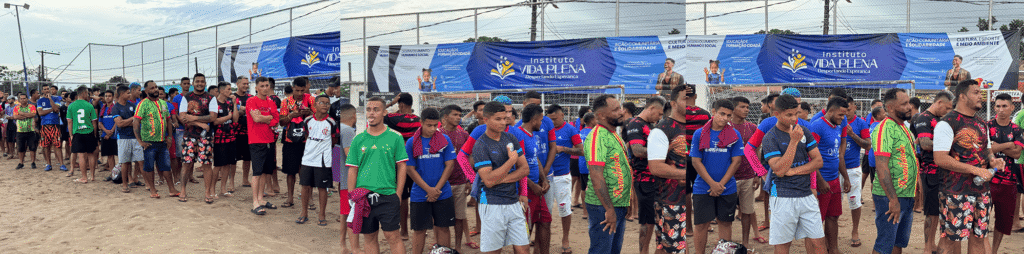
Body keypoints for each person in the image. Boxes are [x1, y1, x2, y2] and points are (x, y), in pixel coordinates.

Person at [933, 79, 1001, 254]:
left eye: (981, 92)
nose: (981, 96)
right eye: (976, 92)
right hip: (955, 192)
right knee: (950, 240)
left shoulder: (981, 123)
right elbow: (940, 158)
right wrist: (975, 169)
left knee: (979, 239)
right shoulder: (947, 123)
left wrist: (993, 161)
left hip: (981, 191)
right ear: (962, 96)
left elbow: (987, 150)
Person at [762, 94, 826, 254]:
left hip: (806, 195)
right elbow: (779, 170)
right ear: (777, 114)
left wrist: (794, 171)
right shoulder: (770, 137)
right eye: (789, 114)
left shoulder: (804, 130)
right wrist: (793, 141)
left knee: (819, 243)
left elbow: (818, 161)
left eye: (796, 113)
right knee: (783, 246)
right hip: (782, 197)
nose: (794, 118)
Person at [346, 96, 409, 254]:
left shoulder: (395, 137)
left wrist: (398, 194)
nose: (371, 113)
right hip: (363, 197)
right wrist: (351, 196)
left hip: (388, 195)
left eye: (376, 109)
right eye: (368, 109)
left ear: (384, 113)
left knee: (392, 236)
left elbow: (402, 166)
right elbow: (352, 169)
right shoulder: (358, 139)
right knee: (369, 237)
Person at [470, 101, 530, 254]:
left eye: (505, 118)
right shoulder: (480, 145)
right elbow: (488, 181)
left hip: (513, 201)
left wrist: (499, 179)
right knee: (494, 251)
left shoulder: (511, 138)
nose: (503, 122)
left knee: (524, 249)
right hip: (491, 204)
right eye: (498, 119)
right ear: (486, 120)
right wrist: (511, 161)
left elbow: (525, 169)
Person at [869, 88, 919, 254]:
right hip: (889, 197)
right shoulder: (884, 129)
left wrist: (916, 186)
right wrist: (892, 199)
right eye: (904, 104)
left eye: (909, 103)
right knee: (884, 244)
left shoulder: (904, 127)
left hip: (906, 194)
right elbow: (881, 166)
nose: (909, 107)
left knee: (898, 242)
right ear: (890, 108)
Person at [689, 99, 743, 254]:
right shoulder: (699, 133)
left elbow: (736, 161)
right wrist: (712, 184)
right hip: (702, 188)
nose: (725, 118)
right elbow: (696, 161)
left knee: (725, 223)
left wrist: (720, 185)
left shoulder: (735, 134)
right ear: (713, 112)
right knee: (701, 225)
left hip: (727, 188)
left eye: (729, 115)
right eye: (722, 114)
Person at [645, 85, 691, 254]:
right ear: (673, 103)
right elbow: (655, 167)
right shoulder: (662, 130)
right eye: (685, 99)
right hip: (670, 200)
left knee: (671, 247)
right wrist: (687, 174)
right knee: (672, 248)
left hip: (688, 198)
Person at [404, 108, 456, 253]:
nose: (433, 129)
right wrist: (429, 190)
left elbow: (450, 165)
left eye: (435, 125)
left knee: (443, 227)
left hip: (443, 193)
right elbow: (410, 169)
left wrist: (436, 190)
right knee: (419, 230)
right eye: (429, 125)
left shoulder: (444, 140)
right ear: (421, 123)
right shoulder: (411, 142)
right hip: (420, 194)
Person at [584, 94, 631, 254]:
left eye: (620, 108)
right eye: (616, 109)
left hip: (617, 204)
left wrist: (626, 200)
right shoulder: (597, 137)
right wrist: (609, 210)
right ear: (601, 115)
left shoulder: (612, 134)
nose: (621, 112)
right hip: (602, 207)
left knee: (613, 250)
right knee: (601, 250)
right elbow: (596, 176)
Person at [808, 97, 852, 254]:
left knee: (833, 216)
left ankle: (833, 249)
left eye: (844, 115)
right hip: (821, 181)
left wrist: (845, 177)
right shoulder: (817, 126)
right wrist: (820, 181)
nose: (843, 118)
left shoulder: (837, 126)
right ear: (831, 111)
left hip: (834, 180)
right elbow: (810, 156)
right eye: (840, 115)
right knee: (817, 220)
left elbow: (838, 155)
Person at [911, 91, 953, 254]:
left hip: (942, 170)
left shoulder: (939, 119)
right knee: (931, 211)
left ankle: (933, 245)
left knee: (939, 211)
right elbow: (925, 143)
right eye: (947, 108)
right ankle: (928, 247)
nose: (948, 111)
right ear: (939, 102)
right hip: (930, 171)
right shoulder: (924, 118)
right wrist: (950, 142)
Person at [623, 96, 666, 254]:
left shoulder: (651, 125)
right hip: (644, 179)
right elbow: (637, 151)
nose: (660, 117)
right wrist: (665, 151)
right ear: (651, 108)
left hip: (655, 177)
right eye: (659, 113)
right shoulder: (635, 124)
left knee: (655, 219)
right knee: (647, 221)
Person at [508, 104, 553, 254]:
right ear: (534, 120)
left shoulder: (531, 135)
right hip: (524, 191)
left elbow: (535, 158)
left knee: (545, 221)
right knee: (525, 228)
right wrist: (532, 185)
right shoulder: (517, 135)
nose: (541, 123)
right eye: (540, 120)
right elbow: (515, 166)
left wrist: (544, 179)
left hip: (536, 189)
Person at [986, 93, 1022, 253]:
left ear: (1012, 107)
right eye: (998, 106)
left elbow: (1017, 154)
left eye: (1004, 106)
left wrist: (996, 146)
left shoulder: (1017, 129)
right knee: (981, 218)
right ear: (994, 108)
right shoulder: (986, 126)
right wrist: (1008, 144)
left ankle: (993, 251)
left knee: (1002, 222)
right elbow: (986, 149)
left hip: (1008, 181)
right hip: (986, 179)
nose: (1001, 109)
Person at [546, 103, 583, 254]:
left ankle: (565, 239)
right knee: (545, 210)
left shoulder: (570, 130)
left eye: (555, 119)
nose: (552, 122)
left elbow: (582, 151)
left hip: (562, 175)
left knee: (564, 208)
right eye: (550, 119)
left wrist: (563, 149)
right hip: (545, 175)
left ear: (562, 115)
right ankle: (543, 238)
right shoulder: (544, 128)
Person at [383, 92, 421, 239]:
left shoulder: (395, 118)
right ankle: (420, 228)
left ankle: (404, 231)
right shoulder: (419, 120)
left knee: (402, 197)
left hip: (400, 163)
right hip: (416, 163)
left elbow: (378, 113)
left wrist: (391, 103)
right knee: (418, 194)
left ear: (402, 104)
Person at [730, 96, 767, 246]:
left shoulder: (751, 127)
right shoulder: (725, 126)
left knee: (748, 208)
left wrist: (757, 173)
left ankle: (748, 240)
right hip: (729, 177)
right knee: (726, 214)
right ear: (733, 109)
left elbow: (757, 151)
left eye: (747, 107)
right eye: (742, 107)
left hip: (748, 175)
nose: (746, 110)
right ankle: (726, 242)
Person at [134, 81, 180, 198]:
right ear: (146, 91)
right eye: (152, 88)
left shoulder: (163, 103)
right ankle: (153, 190)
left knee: (166, 166)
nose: (155, 89)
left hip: (162, 141)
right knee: (149, 167)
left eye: (156, 87)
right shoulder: (142, 104)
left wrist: (169, 137)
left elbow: (168, 120)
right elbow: (136, 122)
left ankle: (172, 189)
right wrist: (140, 141)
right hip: (148, 142)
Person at [438, 104, 475, 251]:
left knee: (460, 217)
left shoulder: (464, 135)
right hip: (441, 183)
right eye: (455, 114)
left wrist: (469, 179)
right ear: (445, 117)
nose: (458, 117)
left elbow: (469, 156)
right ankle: (441, 245)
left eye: (460, 115)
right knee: (440, 218)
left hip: (460, 181)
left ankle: (458, 247)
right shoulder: (437, 135)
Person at [297, 95, 337, 227]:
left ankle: (322, 215)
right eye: (322, 102)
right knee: (305, 186)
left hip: (323, 160)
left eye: (327, 103)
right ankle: (304, 213)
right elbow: (306, 135)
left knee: (322, 187)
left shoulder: (331, 122)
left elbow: (334, 140)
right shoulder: (307, 120)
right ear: (315, 105)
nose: (325, 105)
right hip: (308, 158)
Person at [177, 73, 215, 203]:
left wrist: (193, 118)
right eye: (197, 81)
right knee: (186, 164)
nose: (200, 83)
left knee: (207, 164)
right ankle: (183, 190)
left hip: (206, 137)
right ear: (193, 83)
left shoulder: (211, 98)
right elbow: (182, 117)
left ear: (205, 83)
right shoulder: (186, 98)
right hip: (189, 136)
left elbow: (213, 117)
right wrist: (200, 124)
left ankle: (207, 192)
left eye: (202, 81)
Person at [841, 95, 872, 248]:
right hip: (835, 169)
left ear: (854, 107)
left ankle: (855, 231)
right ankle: (830, 232)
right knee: (833, 202)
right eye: (843, 110)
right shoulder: (835, 121)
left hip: (852, 168)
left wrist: (852, 134)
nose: (845, 112)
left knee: (854, 201)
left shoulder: (861, 123)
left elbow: (868, 145)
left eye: (848, 109)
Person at [681, 84, 711, 238]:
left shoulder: (679, 114)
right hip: (701, 157)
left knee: (686, 191)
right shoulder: (705, 115)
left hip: (683, 157)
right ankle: (706, 223)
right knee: (704, 188)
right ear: (696, 96)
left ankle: (689, 228)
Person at [247, 77, 280, 215]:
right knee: (257, 173)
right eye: (262, 86)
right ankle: (255, 202)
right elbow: (256, 118)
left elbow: (276, 120)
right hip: (256, 141)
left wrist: (264, 118)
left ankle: (261, 199)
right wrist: (268, 118)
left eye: (267, 85)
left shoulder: (271, 101)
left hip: (269, 140)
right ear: (256, 88)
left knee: (266, 172)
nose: (265, 88)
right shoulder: (251, 101)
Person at [280, 77, 315, 208]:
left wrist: (310, 113)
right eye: (297, 90)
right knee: (290, 171)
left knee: (306, 171)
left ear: (306, 88)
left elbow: (319, 118)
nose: (300, 93)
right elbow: (281, 122)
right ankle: (290, 198)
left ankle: (309, 198)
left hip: (307, 141)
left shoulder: (311, 100)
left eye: (302, 90)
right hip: (290, 140)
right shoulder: (285, 102)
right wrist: (291, 116)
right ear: (293, 88)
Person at [333, 102, 359, 254]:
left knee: (345, 213)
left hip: (342, 177)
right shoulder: (348, 130)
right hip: (348, 179)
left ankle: (343, 244)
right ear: (354, 116)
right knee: (348, 214)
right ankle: (345, 245)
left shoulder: (339, 128)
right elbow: (350, 156)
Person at [211, 81, 239, 199]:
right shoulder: (214, 104)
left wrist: (234, 104)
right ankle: (212, 190)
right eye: (228, 89)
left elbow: (235, 119)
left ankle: (223, 189)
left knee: (228, 164)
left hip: (231, 137)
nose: (231, 91)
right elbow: (214, 121)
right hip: (219, 139)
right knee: (218, 165)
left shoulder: (229, 103)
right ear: (222, 91)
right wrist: (227, 117)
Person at [113, 85, 143, 193]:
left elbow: (138, 122)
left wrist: (128, 121)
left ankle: (142, 181)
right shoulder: (116, 107)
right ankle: (125, 184)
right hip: (123, 138)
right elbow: (119, 124)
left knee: (140, 160)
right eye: (128, 93)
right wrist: (132, 119)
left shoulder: (132, 105)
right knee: (125, 162)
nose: (130, 94)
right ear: (122, 94)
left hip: (135, 137)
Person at [68, 87, 98, 183]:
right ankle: (92, 176)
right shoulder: (89, 105)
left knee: (81, 156)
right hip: (89, 132)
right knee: (91, 155)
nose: (88, 95)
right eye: (87, 93)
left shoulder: (71, 106)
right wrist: (94, 134)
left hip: (78, 133)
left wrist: (71, 135)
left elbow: (69, 122)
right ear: (84, 93)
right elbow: (94, 122)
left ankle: (84, 177)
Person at [171, 76, 195, 185]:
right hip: (181, 129)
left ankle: (190, 175)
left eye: (188, 83)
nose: (186, 85)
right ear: (181, 85)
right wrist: (184, 123)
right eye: (184, 83)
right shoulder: (176, 98)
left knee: (191, 153)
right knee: (179, 154)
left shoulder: (193, 96)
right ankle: (178, 176)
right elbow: (175, 112)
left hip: (192, 128)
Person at [37, 84, 66, 172]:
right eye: (45, 89)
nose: (46, 90)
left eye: (48, 89)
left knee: (57, 145)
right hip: (45, 125)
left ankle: (62, 164)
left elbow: (56, 109)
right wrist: (51, 110)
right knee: (46, 146)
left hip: (55, 125)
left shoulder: (55, 99)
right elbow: (40, 113)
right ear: (42, 91)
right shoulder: (40, 101)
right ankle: (48, 164)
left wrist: (50, 99)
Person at [232, 76, 253, 188]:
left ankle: (245, 180)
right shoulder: (232, 97)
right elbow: (230, 113)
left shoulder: (251, 98)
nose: (246, 86)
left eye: (247, 84)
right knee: (233, 159)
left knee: (247, 158)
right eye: (244, 84)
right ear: (237, 84)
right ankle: (231, 182)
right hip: (234, 133)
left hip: (249, 133)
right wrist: (240, 110)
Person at [13, 93, 37, 170]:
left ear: (27, 99)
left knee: (32, 147)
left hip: (31, 130)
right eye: (21, 98)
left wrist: (22, 114)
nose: (23, 100)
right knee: (20, 148)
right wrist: (27, 115)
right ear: (19, 99)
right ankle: (21, 163)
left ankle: (33, 162)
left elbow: (33, 115)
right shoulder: (16, 107)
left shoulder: (32, 106)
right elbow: (15, 116)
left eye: (24, 98)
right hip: (20, 130)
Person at [99, 90, 118, 174]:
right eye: (106, 96)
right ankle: (112, 173)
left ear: (113, 97)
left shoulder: (115, 108)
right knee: (110, 156)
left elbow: (117, 121)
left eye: (109, 96)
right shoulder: (103, 109)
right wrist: (106, 131)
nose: (107, 97)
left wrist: (111, 132)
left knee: (119, 156)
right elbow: (100, 122)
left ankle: (121, 174)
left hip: (115, 135)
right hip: (105, 135)